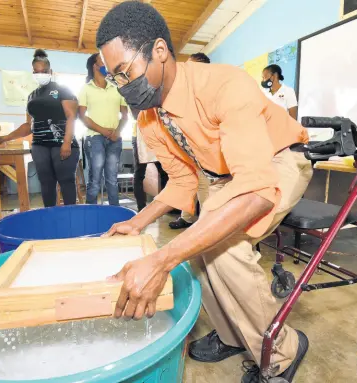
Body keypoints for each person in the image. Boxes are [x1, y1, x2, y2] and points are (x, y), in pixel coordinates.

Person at [96, 2, 312, 382]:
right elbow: (181, 182)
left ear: (159, 51)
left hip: (278, 160)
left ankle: (281, 349)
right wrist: (137, 222)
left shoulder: (224, 83)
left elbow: (258, 188)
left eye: (126, 72)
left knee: (224, 247)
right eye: (115, 78)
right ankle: (233, 334)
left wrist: (161, 261)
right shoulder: (150, 118)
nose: (123, 85)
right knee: (199, 245)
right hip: (227, 176)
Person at [0, 49, 80, 207]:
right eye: (37, 71)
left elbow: (71, 116)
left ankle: (70, 216)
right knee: (46, 183)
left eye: (44, 71)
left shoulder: (63, 90)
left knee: (66, 181)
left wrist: (67, 142)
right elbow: (28, 126)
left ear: (51, 71)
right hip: (40, 145)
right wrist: (7, 137)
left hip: (61, 144)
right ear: (33, 73)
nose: (41, 74)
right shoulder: (31, 96)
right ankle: (50, 216)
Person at [79, 53, 129, 206]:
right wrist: (103, 131)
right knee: (95, 179)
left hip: (115, 139)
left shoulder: (117, 88)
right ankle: (90, 212)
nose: (107, 65)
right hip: (95, 138)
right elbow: (82, 116)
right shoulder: (86, 89)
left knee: (112, 179)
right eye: (103, 62)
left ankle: (115, 214)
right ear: (95, 66)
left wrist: (117, 132)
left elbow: (125, 115)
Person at [168, 52, 211, 230]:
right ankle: (187, 217)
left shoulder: (208, 89)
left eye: (189, 65)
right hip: (189, 145)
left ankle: (208, 221)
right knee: (189, 181)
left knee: (202, 184)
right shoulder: (188, 89)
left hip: (205, 147)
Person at [132, 117, 168, 212]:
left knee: (165, 173)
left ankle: (166, 206)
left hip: (157, 135)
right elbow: (135, 114)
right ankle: (141, 208)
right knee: (139, 174)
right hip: (140, 136)